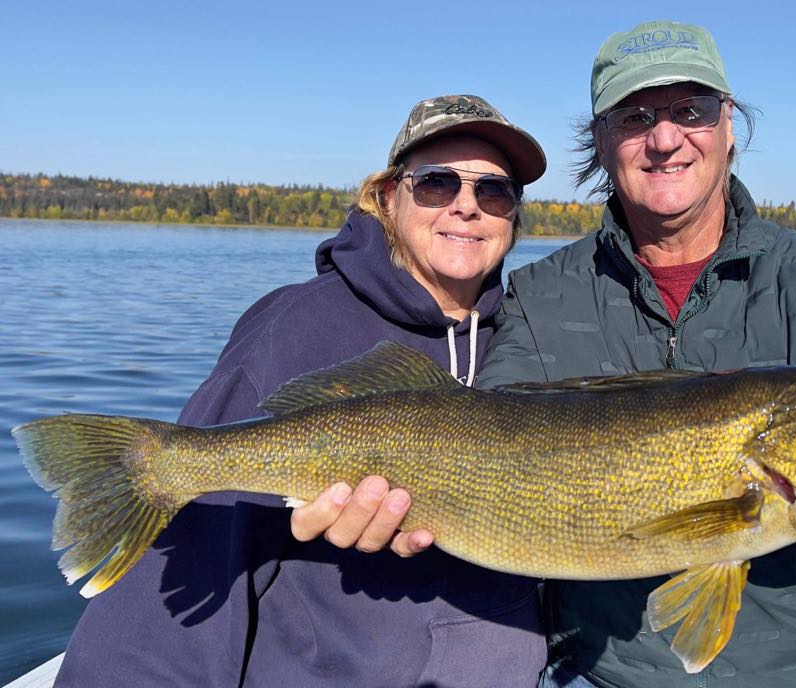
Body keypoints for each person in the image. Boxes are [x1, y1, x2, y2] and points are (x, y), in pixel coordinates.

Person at [472, 21, 796, 688]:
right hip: (602, 673)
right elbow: (484, 441)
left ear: (728, 126)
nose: (665, 138)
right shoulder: (540, 291)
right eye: (635, 116)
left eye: (689, 111)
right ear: (602, 142)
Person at [54, 94, 549, 688]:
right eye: (438, 184)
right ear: (389, 197)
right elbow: (178, 583)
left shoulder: (532, 336)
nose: (467, 207)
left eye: (494, 191)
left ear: (513, 217)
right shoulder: (293, 328)